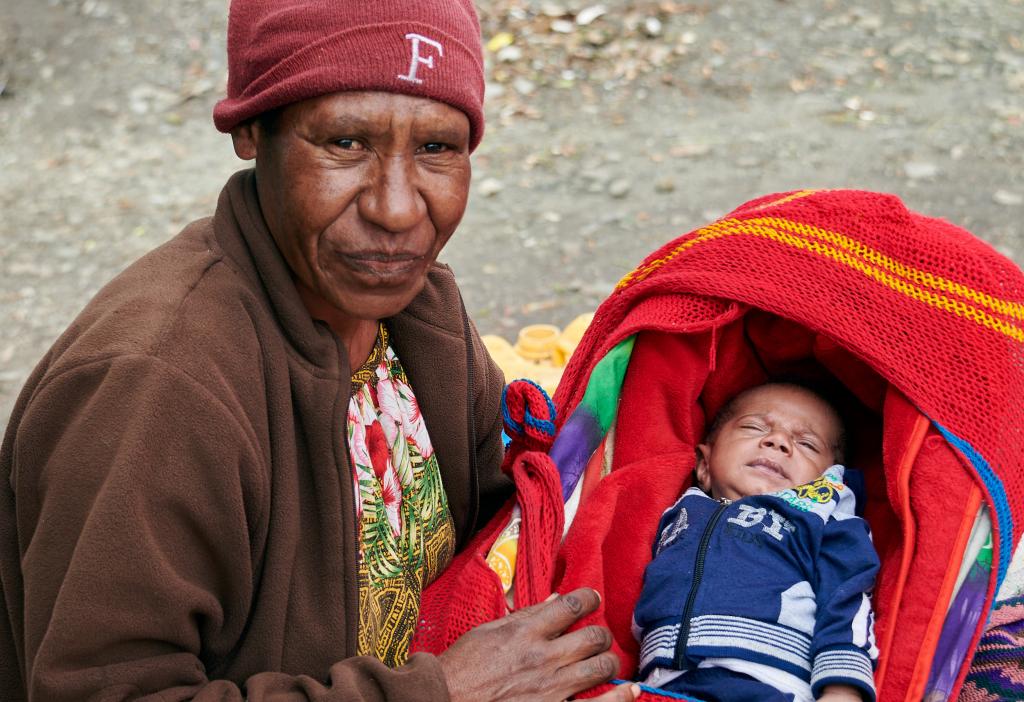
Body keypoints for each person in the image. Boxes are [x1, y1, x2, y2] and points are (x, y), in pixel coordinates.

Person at [0, 1, 638, 701]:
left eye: (436, 149)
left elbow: (500, 527)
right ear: (251, 128)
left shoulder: (417, 311)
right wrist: (438, 693)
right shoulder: (158, 387)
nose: (396, 210)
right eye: (344, 144)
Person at [632, 382, 880, 702]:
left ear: (829, 478)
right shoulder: (675, 508)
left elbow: (848, 597)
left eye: (806, 443)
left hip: (767, 683)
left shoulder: (823, 521)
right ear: (704, 466)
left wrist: (842, 690)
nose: (778, 441)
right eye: (753, 426)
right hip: (662, 685)